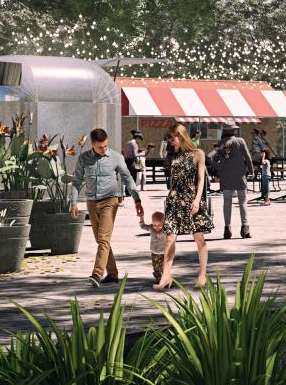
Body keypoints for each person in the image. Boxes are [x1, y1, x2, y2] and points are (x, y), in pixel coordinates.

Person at [70, 127, 145, 287]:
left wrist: (137, 200)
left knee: (103, 239)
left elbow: (128, 179)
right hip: (91, 202)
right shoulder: (84, 159)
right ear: (92, 144)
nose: (103, 150)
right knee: (101, 240)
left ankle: (97, 274)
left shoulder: (116, 158)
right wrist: (74, 202)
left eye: (105, 146)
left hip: (110, 202)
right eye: (100, 147)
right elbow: (76, 181)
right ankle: (112, 274)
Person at [156, 123, 213, 290]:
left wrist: (197, 200)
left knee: (199, 238)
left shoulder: (198, 154)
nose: (170, 143)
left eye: (172, 139)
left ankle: (202, 274)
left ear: (180, 137)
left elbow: (201, 179)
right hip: (174, 199)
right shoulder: (173, 156)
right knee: (169, 239)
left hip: (191, 199)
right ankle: (166, 276)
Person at [210, 125, 253, 240]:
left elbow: (209, 157)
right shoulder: (240, 141)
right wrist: (251, 171)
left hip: (226, 177)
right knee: (243, 202)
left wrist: (219, 167)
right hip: (240, 176)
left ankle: (227, 230)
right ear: (234, 130)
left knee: (227, 203)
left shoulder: (221, 143)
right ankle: (245, 228)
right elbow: (248, 158)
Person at [147, 211, 168, 283]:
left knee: (164, 267)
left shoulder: (166, 229)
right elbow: (142, 226)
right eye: (154, 225)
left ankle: (166, 279)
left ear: (164, 223)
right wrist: (141, 217)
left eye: (159, 225)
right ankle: (158, 279)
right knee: (156, 267)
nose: (157, 227)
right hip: (154, 252)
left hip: (164, 252)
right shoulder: (151, 228)